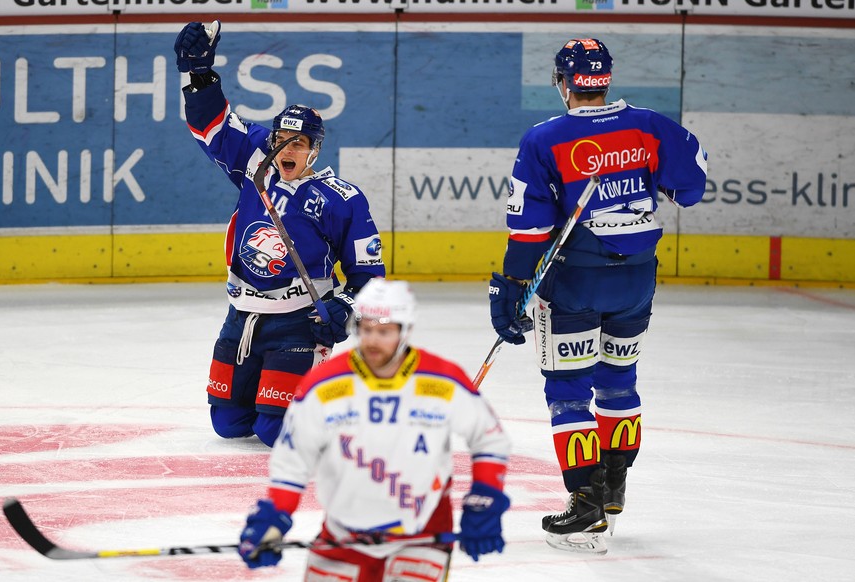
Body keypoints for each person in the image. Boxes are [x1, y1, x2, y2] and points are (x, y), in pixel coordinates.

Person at [488, 38, 707, 554]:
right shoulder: (651, 125)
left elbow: (530, 231)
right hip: (637, 279)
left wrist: (511, 286)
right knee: (619, 382)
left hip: (575, 280)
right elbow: (692, 187)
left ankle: (584, 500)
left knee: (568, 391)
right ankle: (613, 488)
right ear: (604, 78)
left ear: (563, 83)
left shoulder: (545, 138)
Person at [173, 21, 385, 446]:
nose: (287, 150)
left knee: (274, 431)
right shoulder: (256, 163)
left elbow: (369, 275)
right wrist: (199, 75)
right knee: (229, 425)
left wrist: (342, 308)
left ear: (315, 150)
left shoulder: (341, 198)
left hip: (298, 323)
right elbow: (212, 124)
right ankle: (284, 392)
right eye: (281, 140)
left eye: (299, 143)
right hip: (243, 315)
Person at [238, 278, 511, 581]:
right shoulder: (326, 385)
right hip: (343, 534)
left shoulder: (442, 381)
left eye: (383, 332)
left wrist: (485, 497)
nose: (372, 341)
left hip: (422, 536)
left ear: (405, 331)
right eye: (366, 329)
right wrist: (275, 515)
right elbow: (293, 458)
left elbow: (489, 438)